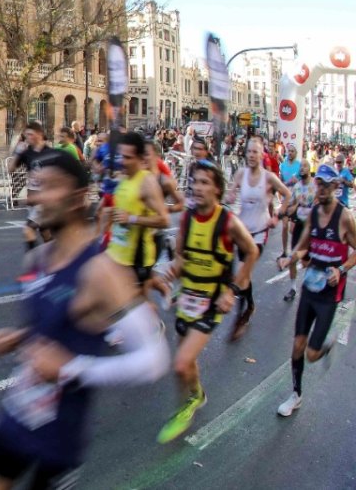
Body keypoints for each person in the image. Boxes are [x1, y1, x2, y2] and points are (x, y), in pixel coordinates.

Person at [0, 151, 169, 490]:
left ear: (77, 198)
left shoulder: (99, 271)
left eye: (48, 188)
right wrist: (19, 337)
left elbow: (153, 359)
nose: (36, 197)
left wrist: (71, 369)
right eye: (34, 186)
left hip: (56, 442)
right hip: (16, 417)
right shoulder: (37, 258)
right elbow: (58, 323)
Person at [152, 160, 258, 443]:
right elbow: (182, 257)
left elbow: (251, 253)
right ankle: (197, 395)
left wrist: (232, 290)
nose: (197, 187)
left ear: (218, 189)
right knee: (188, 360)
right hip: (188, 296)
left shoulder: (228, 222)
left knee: (181, 363)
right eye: (194, 181)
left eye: (204, 182)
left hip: (212, 300)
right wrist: (171, 272)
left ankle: (188, 404)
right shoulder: (186, 219)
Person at [275, 164, 356, 418]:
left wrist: (341, 270)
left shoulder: (344, 217)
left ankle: (324, 347)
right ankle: (296, 394)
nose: (320, 189)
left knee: (311, 354)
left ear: (335, 187)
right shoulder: (313, 214)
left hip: (329, 294)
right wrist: (291, 258)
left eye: (325, 185)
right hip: (309, 288)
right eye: (318, 184)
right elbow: (302, 247)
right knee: (298, 345)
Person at [224, 137, 290, 341]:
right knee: (244, 275)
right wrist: (230, 196)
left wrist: (277, 216)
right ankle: (250, 305)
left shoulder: (269, 178)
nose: (252, 155)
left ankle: (240, 318)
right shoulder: (241, 173)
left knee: (243, 273)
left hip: (260, 231)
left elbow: (288, 195)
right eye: (249, 151)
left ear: (262, 155)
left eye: (256, 152)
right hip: (243, 230)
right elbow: (231, 192)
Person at [103, 132, 170, 288]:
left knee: (137, 308)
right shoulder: (124, 178)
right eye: (121, 156)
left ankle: (160, 289)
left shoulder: (147, 182)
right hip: (116, 254)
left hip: (136, 260)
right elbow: (122, 212)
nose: (122, 162)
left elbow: (164, 220)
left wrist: (132, 219)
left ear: (141, 158)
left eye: (128, 158)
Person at [10, 122, 55, 282]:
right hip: (32, 199)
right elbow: (11, 169)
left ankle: (33, 269)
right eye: (26, 135)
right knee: (45, 233)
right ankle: (56, 261)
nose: (27, 137)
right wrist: (17, 152)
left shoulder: (50, 153)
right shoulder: (27, 152)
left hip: (44, 200)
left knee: (28, 231)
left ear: (39, 134)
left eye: (30, 134)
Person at [280, 165, 316, 302]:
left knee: (307, 262)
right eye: (300, 166)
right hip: (300, 225)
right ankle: (293, 288)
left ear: (309, 169)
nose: (302, 168)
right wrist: (288, 213)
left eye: (305, 166)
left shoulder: (315, 185)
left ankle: (310, 286)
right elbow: (293, 204)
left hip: (312, 227)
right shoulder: (297, 186)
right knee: (293, 257)